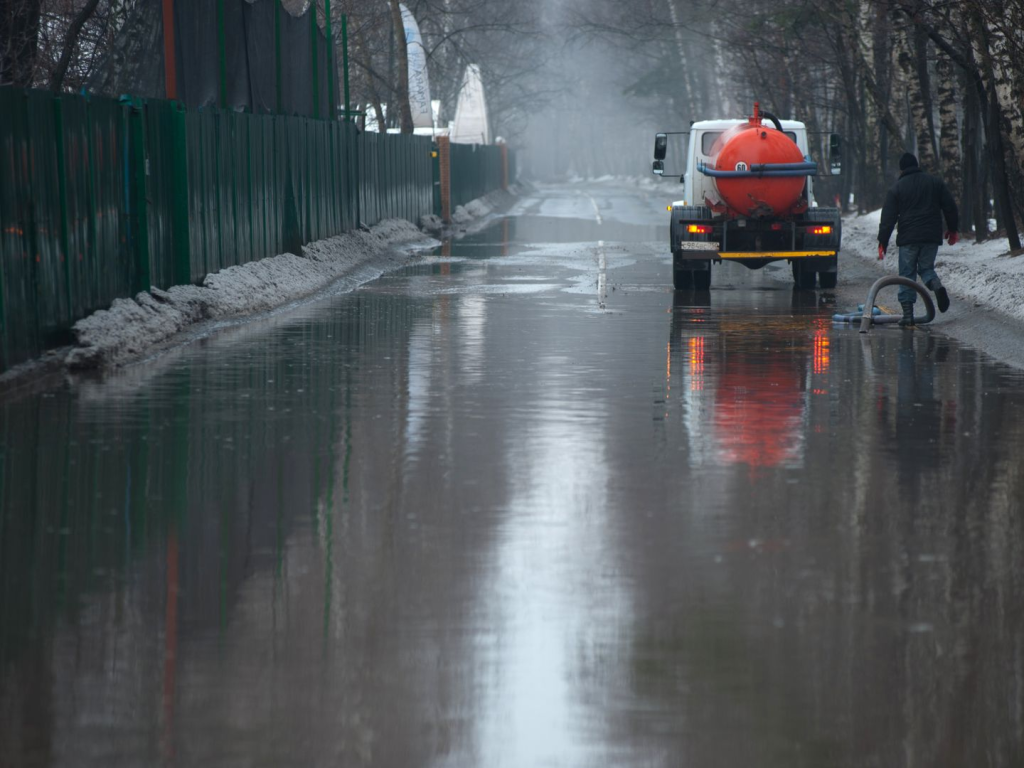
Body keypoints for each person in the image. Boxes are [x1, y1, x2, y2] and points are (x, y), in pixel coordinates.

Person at [877, 152, 959, 326]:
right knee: (926, 268)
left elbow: (888, 218)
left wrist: (882, 241)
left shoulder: (897, 188)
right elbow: (950, 206)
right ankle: (936, 285)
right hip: (931, 236)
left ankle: (908, 315)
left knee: (907, 275)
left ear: (902, 169)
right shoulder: (935, 183)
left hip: (909, 238)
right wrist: (953, 229)